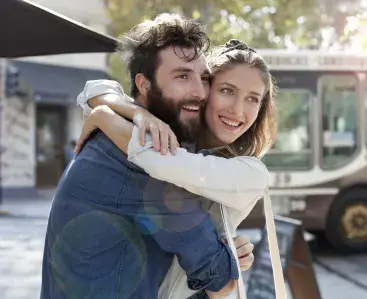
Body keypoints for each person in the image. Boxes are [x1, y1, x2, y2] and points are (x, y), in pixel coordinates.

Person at [40, 14, 261, 299]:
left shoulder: (114, 136)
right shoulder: (148, 166)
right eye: (182, 76)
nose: (199, 91)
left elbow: (99, 91)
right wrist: (232, 256)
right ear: (144, 84)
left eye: (203, 78)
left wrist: (112, 112)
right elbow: (220, 283)